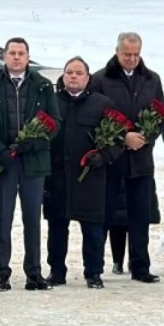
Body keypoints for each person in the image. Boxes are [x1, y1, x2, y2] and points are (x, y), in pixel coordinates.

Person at [0, 37, 60, 292]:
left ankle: (33, 272)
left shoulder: (43, 85)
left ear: (28, 57)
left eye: (21, 53)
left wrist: (34, 142)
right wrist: (0, 151)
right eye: (12, 53)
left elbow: (54, 122)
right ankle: (2, 272)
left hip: (33, 162)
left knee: (32, 219)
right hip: (4, 162)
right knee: (3, 217)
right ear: (4, 56)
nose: (16, 57)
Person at [90, 32, 164, 283]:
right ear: (117, 52)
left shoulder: (152, 79)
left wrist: (144, 137)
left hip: (141, 160)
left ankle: (140, 266)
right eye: (126, 55)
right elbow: (95, 117)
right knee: (104, 213)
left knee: (140, 215)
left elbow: (161, 114)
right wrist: (123, 138)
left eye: (136, 54)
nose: (131, 59)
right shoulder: (100, 79)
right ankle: (96, 267)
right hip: (112, 160)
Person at [45, 57, 120, 289]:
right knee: (57, 228)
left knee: (93, 229)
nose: (74, 77)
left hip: (90, 178)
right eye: (69, 72)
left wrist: (104, 156)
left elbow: (117, 138)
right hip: (58, 178)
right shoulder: (51, 102)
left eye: (79, 73)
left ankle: (94, 272)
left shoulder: (103, 104)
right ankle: (56, 271)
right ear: (63, 76)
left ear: (88, 78)